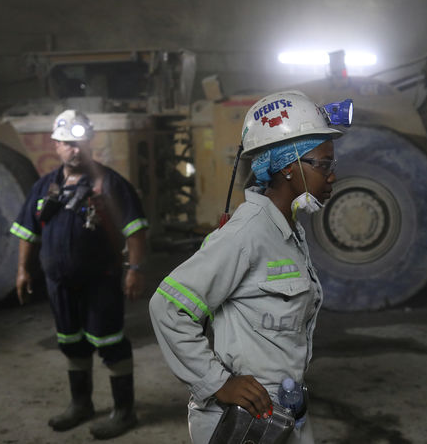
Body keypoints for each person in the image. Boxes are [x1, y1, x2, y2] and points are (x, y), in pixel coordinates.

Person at [149, 90, 350, 444]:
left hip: (283, 413)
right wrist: (218, 382)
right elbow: (167, 306)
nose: (332, 175)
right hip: (244, 422)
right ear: (289, 168)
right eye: (324, 164)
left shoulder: (287, 231)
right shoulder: (248, 233)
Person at [10, 109, 148, 440]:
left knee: (111, 342)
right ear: (55, 144)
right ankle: (81, 404)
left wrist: (135, 270)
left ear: (89, 143)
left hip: (100, 280)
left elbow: (136, 231)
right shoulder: (45, 187)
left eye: (80, 143)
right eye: (67, 143)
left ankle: (124, 412)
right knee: (71, 342)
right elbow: (27, 232)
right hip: (59, 283)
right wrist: (22, 271)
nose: (74, 150)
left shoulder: (109, 183)